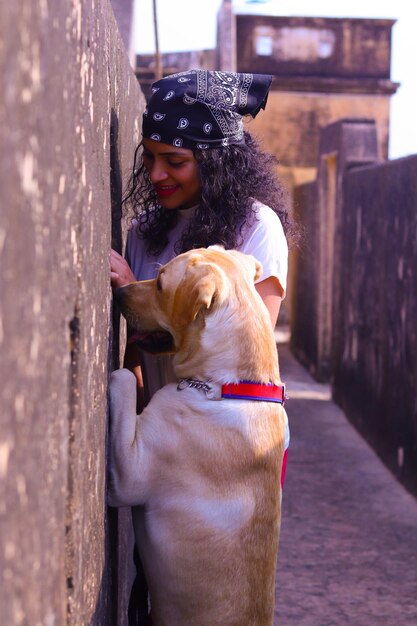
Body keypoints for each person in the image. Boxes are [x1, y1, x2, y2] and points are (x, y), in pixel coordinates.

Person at [110, 69, 293, 625]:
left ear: (214, 159)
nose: (158, 174)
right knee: (157, 572)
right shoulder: (145, 231)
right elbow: (137, 354)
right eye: (150, 159)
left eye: (177, 161)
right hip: (167, 428)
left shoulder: (255, 226)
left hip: (230, 437)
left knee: (220, 582)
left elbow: (248, 349)